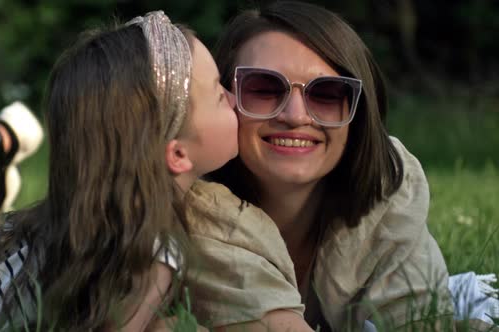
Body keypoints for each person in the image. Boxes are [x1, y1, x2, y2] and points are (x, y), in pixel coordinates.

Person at [0, 11, 242, 331]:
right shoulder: (150, 251)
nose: (232, 96)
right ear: (178, 154)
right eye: (218, 94)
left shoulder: (91, 214)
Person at [183, 1, 455, 331]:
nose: (295, 116)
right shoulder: (189, 208)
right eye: (264, 89)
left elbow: (420, 322)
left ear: (358, 114)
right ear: (225, 101)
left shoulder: (391, 186)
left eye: (326, 94)